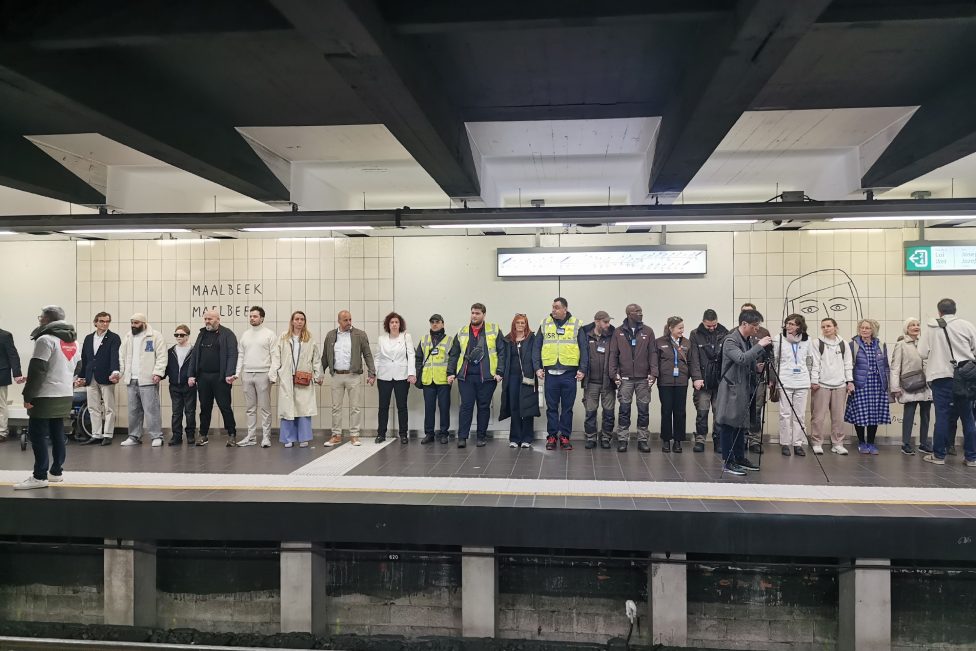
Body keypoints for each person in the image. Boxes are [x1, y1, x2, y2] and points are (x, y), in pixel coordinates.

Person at [14, 306, 78, 490]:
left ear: (47, 319)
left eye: (41, 316)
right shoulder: (73, 341)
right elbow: (78, 366)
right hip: (65, 393)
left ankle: (39, 476)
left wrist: (28, 394)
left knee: (37, 434)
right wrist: (63, 380)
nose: (39, 319)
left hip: (44, 395)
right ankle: (56, 472)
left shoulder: (45, 339)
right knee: (58, 433)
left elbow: (38, 369)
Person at [713, 308, 772, 476]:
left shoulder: (747, 340)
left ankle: (739, 457)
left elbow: (747, 362)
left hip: (744, 387)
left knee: (740, 424)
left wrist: (757, 367)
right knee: (728, 424)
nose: (757, 329)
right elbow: (741, 358)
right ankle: (728, 460)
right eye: (754, 325)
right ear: (744, 324)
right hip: (731, 387)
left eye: (758, 325)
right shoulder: (731, 340)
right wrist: (760, 346)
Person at [918, 298, 976, 466]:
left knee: (942, 416)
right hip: (965, 377)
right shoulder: (967, 325)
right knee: (968, 417)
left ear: (939, 312)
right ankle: (972, 457)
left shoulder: (931, 327)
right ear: (955, 310)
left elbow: (922, 352)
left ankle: (939, 456)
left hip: (941, 377)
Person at [447, 303, 505, 448]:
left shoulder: (494, 330)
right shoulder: (462, 331)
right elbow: (454, 354)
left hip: (487, 377)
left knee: (484, 407)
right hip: (466, 377)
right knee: (466, 406)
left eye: (477, 313)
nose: (474, 316)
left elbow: (502, 352)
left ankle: (481, 437)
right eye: (472, 313)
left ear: (484, 315)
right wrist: (451, 372)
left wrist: (500, 372)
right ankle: (462, 437)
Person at [533, 297, 588, 451]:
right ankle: (551, 436)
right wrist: (537, 367)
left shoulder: (576, 324)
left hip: (569, 374)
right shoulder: (545, 324)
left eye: (557, 307)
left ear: (565, 308)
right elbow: (536, 347)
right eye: (552, 307)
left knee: (567, 408)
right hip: (550, 374)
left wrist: (582, 369)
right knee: (551, 408)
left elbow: (584, 349)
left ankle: (565, 436)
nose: (553, 310)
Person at [322, 310, 376, 446]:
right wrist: (319, 374)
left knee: (355, 407)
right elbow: (325, 357)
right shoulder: (330, 335)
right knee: (336, 407)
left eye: (350, 320)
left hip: (353, 376)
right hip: (336, 376)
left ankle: (354, 435)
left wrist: (371, 373)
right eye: (345, 320)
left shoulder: (360, 335)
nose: (349, 323)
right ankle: (336, 435)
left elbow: (368, 355)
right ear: (339, 321)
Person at [609, 303, 656, 453]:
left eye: (641, 311)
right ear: (629, 314)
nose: (641, 313)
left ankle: (642, 440)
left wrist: (654, 373)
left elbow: (653, 354)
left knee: (643, 410)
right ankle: (622, 439)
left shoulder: (648, 331)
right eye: (637, 311)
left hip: (643, 379)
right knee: (624, 410)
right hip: (625, 379)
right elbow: (613, 355)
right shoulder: (618, 332)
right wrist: (613, 373)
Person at [273, 311, 323, 448]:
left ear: (304, 322)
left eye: (302, 319)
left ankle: (304, 437)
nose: (299, 321)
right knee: (288, 408)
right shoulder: (283, 337)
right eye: (297, 319)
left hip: (304, 377)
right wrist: (273, 375)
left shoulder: (309, 338)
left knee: (303, 408)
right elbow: (276, 357)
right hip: (287, 378)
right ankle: (288, 438)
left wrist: (318, 375)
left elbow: (316, 359)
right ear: (292, 321)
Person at [188, 309, 238, 447]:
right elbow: (195, 355)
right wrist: (191, 374)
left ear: (218, 319)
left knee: (225, 407)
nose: (207, 321)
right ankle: (203, 435)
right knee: (205, 407)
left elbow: (232, 355)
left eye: (210, 319)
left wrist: (230, 373)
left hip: (220, 378)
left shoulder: (227, 334)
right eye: (205, 319)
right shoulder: (202, 334)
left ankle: (232, 434)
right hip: (203, 377)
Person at [118, 313, 167, 447]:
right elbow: (121, 356)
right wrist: (120, 373)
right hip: (131, 379)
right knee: (133, 410)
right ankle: (134, 436)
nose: (133, 325)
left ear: (144, 323)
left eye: (136, 323)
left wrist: (158, 373)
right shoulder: (128, 337)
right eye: (132, 323)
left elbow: (162, 356)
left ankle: (157, 436)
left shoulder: (155, 336)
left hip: (148, 379)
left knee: (152, 410)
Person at [844, 319, 891, 455]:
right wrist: (849, 382)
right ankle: (861, 442)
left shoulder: (880, 345)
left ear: (873, 330)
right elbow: (848, 365)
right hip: (860, 384)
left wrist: (887, 384)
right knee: (860, 414)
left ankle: (871, 442)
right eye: (862, 328)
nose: (864, 330)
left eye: (867, 328)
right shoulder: (853, 345)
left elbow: (886, 366)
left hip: (877, 384)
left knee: (874, 414)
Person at [235, 306, 279, 448]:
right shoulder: (245, 335)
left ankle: (266, 437)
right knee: (250, 408)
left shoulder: (269, 334)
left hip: (263, 374)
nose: (252, 318)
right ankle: (251, 437)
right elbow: (241, 355)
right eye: (251, 316)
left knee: (265, 408)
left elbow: (275, 356)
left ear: (262, 318)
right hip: (247, 374)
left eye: (255, 316)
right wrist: (237, 373)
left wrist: (272, 375)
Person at [74, 312, 120, 446]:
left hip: (106, 376)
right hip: (90, 376)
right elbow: (85, 358)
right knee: (93, 407)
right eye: (102, 321)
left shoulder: (113, 338)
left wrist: (115, 372)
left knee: (109, 406)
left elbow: (114, 356)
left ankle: (108, 434)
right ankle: (96, 434)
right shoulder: (89, 338)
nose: (105, 324)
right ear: (95, 322)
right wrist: (81, 376)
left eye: (107, 321)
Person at [810, 317, 853, 455]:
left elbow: (848, 363)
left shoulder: (844, 344)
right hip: (821, 384)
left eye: (828, 326)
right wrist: (814, 380)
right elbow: (815, 363)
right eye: (823, 327)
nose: (826, 329)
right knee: (818, 416)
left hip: (840, 385)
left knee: (838, 417)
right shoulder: (816, 343)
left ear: (835, 327)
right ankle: (817, 442)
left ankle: (837, 443)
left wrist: (849, 381)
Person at [771, 314, 814, 457]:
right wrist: (774, 379)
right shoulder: (779, 339)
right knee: (785, 414)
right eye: (787, 323)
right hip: (785, 380)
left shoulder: (807, 340)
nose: (788, 326)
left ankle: (798, 443)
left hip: (802, 380)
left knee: (800, 415)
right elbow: (775, 360)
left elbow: (809, 360)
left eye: (792, 324)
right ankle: (785, 443)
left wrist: (811, 378)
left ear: (799, 326)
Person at [890, 318, 933, 456]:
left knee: (926, 415)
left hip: (926, 384)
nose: (916, 327)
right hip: (910, 385)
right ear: (906, 328)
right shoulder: (901, 344)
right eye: (912, 325)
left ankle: (924, 443)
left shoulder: (924, 343)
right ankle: (906, 444)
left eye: (917, 324)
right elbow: (895, 367)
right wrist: (895, 387)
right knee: (909, 414)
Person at [689, 309, 728, 453]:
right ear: (703, 322)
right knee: (702, 412)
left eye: (714, 325)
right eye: (708, 326)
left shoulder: (725, 333)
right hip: (703, 380)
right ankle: (700, 440)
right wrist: (696, 378)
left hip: (720, 380)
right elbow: (694, 358)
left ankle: (718, 440)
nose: (712, 328)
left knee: (719, 413)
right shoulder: (695, 334)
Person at [375, 312, 416, 444]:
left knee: (402, 406)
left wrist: (412, 373)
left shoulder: (406, 337)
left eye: (396, 322)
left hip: (402, 376)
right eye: (391, 322)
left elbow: (411, 355)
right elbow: (377, 357)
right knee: (383, 406)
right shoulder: (381, 339)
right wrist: (373, 374)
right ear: (388, 324)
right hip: (384, 376)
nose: (394, 324)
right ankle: (381, 433)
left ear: (400, 324)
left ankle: (403, 434)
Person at [500, 313, 539, 448]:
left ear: (526, 324)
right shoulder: (507, 339)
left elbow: (536, 355)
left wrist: (538, 370)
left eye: (523, 323)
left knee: (527, 407)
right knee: (514, 406)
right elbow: (502, 358)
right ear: (514, 324)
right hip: (512, 378)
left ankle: (527, 438)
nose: (521, 325)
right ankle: (515, 438)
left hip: (527, 377)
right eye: (518, 323)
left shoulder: (532, 338)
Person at [653, 316, 692, 453]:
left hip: (681, 382)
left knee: (680, 412)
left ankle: (678, 441)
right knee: (666, 410)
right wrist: (653, 377)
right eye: (679, 328)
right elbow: (655, 362)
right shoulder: (659, 342)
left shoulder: (687, 343)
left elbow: (692, 362)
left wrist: (694, 378)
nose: (682, 330)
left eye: (683, 327)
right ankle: (666, 440)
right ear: (671, 328)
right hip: (665, 382)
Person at [581, 310, 616, 449]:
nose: (608, 324)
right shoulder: (585, 335)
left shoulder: (613, 336)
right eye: (605, 322)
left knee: (608, 413)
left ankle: (606, 437)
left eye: (609, 322)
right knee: (590, 412)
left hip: (608, 382)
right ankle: (591, 438)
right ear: (597, 321)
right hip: (591, 382)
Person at [416, 314, 452, 445]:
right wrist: (417, 373)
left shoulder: (449, 340)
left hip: (443, 380)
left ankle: (444, 434)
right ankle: (429, 434)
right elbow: (418, 358)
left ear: (443, 324)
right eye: (432, 322)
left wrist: (451, 374)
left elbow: (453, 359)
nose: (434, 324)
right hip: (428, 379)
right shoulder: (424, 339)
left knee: (444, 408)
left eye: (437, 322)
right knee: (429, 408)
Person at [741, 302, 771, 453]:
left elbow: (770, 356)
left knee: (757, 409)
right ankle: (742, 438)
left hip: (759, 377)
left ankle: (754, 440)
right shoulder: (735, 333)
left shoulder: (763, 331)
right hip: (743, 377)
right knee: (743, 409)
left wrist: (771, 377)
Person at [166, 324, 196, 446]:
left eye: (181, 335)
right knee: (176, 412)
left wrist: (194, 377)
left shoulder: (194, 351)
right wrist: (159, 375)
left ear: (187, 336)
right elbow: (166, 367)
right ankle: (176, 436)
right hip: (174, 385)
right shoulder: (170, 351)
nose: (178, 337)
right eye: (176, 334)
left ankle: (190, 435)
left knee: (190, 411)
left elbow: (197, 367)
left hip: (189, 385)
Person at [0, 324, 25, 443]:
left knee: (0, 404)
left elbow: (13, 355)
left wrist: (17, 374)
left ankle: (1, 432)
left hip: (1, 374)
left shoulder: (5, 335)